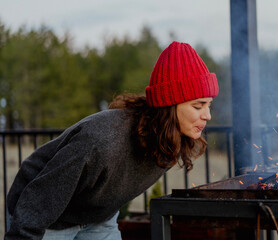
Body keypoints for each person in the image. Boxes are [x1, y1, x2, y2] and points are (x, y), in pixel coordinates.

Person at [5, 41, 219, 240]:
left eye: (208, 105)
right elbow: (42, 196)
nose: (207, 115)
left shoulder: (169, 138)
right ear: (169, 106)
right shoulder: (102, 141)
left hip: (97, 217)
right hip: (46, 217)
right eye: (198, 106)